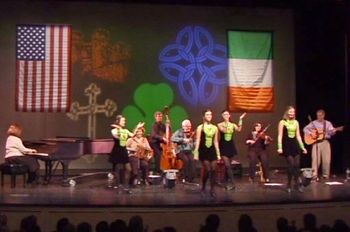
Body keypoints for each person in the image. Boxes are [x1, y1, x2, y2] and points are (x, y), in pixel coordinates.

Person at [303, 109, 343, 181]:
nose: (319, 117)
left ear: (323, 115)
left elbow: (331, 133)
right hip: (316, 143)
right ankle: (314, 175)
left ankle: (325, 175)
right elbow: (305, 129)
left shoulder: (327, 123)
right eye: (317, 115)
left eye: (320, 115)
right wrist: (311, 133)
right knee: (315, 159)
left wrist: (334, 131)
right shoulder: (313, 123)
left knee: (326, 159)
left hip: (325, 142)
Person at [109, 115, 144, 193]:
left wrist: (137, 127)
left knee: (128, 169)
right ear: (118, 121)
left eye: (125, 121)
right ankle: (119, 185)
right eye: (123, 121)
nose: (125, 122)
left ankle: (126, 186)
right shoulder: (114, 130)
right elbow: (118, 137)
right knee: (117, 169)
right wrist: (119, 129)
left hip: (123, 150)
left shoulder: (125, 130)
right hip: (117, 150)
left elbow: (132, 135)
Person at [277, 106, 307, 193]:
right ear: (287, 112)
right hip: (287, 145)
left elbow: (298, 136)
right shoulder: (282, 122)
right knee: (291, 164)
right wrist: (279, 147)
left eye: (293, 112)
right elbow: (280, 135)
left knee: (297, 165)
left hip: (295, 145)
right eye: (290, 112)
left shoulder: (296, 122)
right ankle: (289, 184)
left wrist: (302, 147)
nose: (292, 113)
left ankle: (297, 184)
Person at [194, 109, 220, 197]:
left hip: (212, 150)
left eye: (210, 115)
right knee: (208, 169)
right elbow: (198, 140)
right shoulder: (200, 127)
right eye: (207, 115)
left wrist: (218, 154)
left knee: (213, 169)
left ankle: (212, 189)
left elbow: (216, 141)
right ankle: (203, 187)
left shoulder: (215, 128)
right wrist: (196, 152)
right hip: (203, 150)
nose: (209, 116)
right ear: (204, 116)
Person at [217, 110, 246, 190]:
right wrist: (228, 125)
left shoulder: (233, 125)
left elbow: (239, 129)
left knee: (228, 167)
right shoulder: (220, 124)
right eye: (224, 114)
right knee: (227, 165)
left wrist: (240, 119)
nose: (226, 115)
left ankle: (225, 182)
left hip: (230, 146)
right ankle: (233, 183)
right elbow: (224, 130)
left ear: (229, 115)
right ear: (222, 116)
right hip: (223, 146)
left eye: (227, 114)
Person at [171, 119, 196, 183]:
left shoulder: (192, 133)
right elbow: (172, 138)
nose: (188, 128)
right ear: (183, 126)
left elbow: (195, 143)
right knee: (186, 160)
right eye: (186, 126)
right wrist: (183, 140)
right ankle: (185, 177)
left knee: (192, 160)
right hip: (180, 151)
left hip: (189, 151)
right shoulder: (179, 131)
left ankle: (191, 178)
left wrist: (193, 143)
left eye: (189, 126)